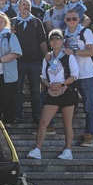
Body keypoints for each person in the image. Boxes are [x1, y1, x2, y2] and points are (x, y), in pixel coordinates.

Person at [27, 29, 80, 161]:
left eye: (58, 39)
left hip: (67, 91)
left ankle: (68, 151)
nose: (55, 42)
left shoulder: (69, 56)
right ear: (50, 43)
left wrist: (62, 84)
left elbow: (75, 75)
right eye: (53, 40)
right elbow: (43, 76)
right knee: (43, 121)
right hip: (52, 92)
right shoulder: (48, 58)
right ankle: (37, 149)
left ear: (62, 41)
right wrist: (48, 84)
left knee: (67, 122)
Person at [61, 9, 93, 147]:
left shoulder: (85, 32)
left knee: (88, 106)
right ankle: (69, 135)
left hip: (86, 74)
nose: (71, 21)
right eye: (68, 19)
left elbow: (90, 52)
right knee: (69, 106)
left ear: (79, 19)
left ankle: (89, 135)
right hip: (70, 75)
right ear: (65, 20)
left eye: (74, 19)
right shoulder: (63, 33)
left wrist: (74, 51)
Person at [12, 0, 49, 124]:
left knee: (36, 91)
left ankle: (37, 115)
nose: (26, 7)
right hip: (17, 62)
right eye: (23, 4)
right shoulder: (12, 22)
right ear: (18, 7)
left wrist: (46, 57)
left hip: (34, 61)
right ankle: (17, 115)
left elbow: (42, 41)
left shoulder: (36, 22)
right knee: (17, 91)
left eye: (28, 5)